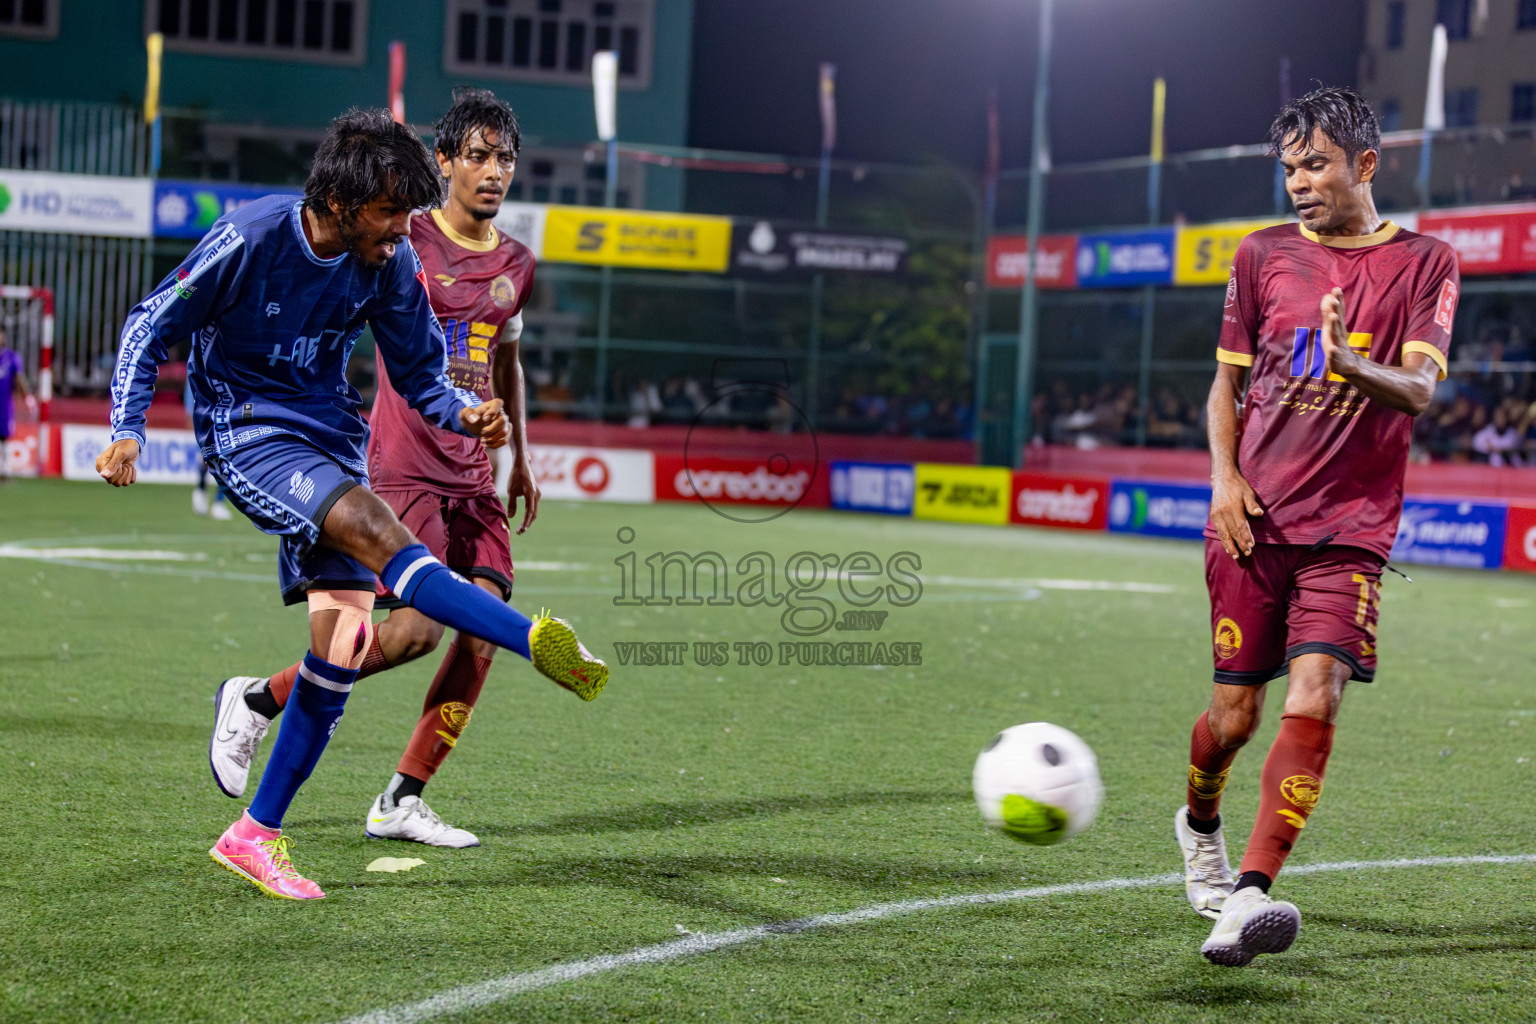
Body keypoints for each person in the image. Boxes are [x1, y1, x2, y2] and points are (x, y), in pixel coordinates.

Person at [97, 108, 607, 901]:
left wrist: (462, 412)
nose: (405, 231)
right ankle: (531, 641)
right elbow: (148, 324)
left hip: (329, 438)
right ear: (337, 202)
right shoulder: (250, 237)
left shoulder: (389, 263)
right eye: (391, 213)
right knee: (379, 530)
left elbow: (421, 376)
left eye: (410, 213)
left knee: (340, 649)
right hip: (247, 432)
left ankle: (252, 834)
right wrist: (126, 427)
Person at [208, 89, 560, 849]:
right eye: (477, 155)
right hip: (402, 461)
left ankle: (404, 795)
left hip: (475, 469)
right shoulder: (396, 233)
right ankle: (262, 699)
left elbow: (508, 360)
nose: (493, 171)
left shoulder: (516, 264)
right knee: (410, 637)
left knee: (481, 631)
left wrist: (521, 459)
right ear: (443, 161)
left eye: (505, 158)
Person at [1176, 86, 1457, 966]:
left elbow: (1418, 392)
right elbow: (1224, 383)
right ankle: (1200, 823)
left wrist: (1350, 364)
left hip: (1352, 530)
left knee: (1317, 690)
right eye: (1288, 167)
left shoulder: (1427, 261)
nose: (1298, 182)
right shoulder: (1261, 256)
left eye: (1316, 164)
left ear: (1365, 165)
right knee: (1233, 716)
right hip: (1251, 521)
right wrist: (1223, 479)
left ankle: (1250, 895)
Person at [0, 324, 37, 482]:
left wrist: (27, 397)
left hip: (4, 404)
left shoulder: (11, 357)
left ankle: (5, 470)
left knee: (4, 436)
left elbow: (20, 379)